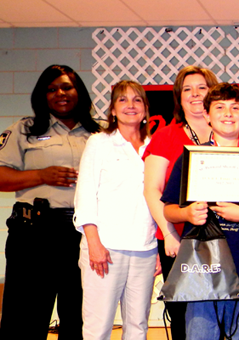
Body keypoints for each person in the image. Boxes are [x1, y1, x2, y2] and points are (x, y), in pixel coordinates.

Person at [161, 83, 239, 340]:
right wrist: (187, 214)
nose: (228, 113)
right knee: (200, 334)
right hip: (203, 269)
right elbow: (169, 209)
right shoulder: (190, 159)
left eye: (235, 107)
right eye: (219, 107)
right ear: (206, 115)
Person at [0, 64, 100, 340]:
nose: (60, 93)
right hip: (34, 233)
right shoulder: (25, 129)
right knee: (25, 318)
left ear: (79, 91)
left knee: (80, 317)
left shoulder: (99, 134)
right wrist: (40, 175)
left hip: (82, 235)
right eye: (51, 89)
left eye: (67, 87)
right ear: (42, 96)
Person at [73, 80, 156, 340]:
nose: (130, 105)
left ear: (145, 109)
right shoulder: (99, 143)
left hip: (145, 249)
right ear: (112, 109)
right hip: (105, 248)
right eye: (123, 100)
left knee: (138, 327)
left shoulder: (154, 146)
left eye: (137, 100)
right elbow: (85, 195)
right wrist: (94, 243)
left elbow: (159, 199)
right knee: (98, 328)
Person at [142, 65, 219, 339]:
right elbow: (152, 190)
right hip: (179, 239)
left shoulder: (230, 134)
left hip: (223, 240)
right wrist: (171, 233)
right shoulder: (166, 136)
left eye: (202, 87)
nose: (195, 94)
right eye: (187, 89)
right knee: (184, 316)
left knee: (222, 312)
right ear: (179, 96)